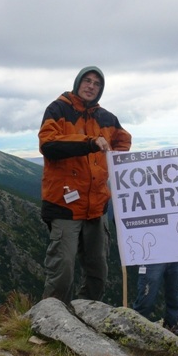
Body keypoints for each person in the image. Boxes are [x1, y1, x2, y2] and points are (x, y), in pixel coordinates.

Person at [39, 66, 132, 305]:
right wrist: (89, 143)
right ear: (78, 82)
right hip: (64, 205)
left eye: (96, 83)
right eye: (87, 81)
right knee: (63, 270)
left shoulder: (107, 118)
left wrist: (111, 161)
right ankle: (52, 320)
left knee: (98, 270)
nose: (91, 86)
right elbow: (48, 145)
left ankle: (86, 316)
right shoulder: (58, 109)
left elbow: (123, 140)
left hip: (97, 204)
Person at [132, 262, 178, 335]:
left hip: (176, 257)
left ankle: (171, 325)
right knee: (147, 296)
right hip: (152, 259)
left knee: (175, 293)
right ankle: (137, 325)